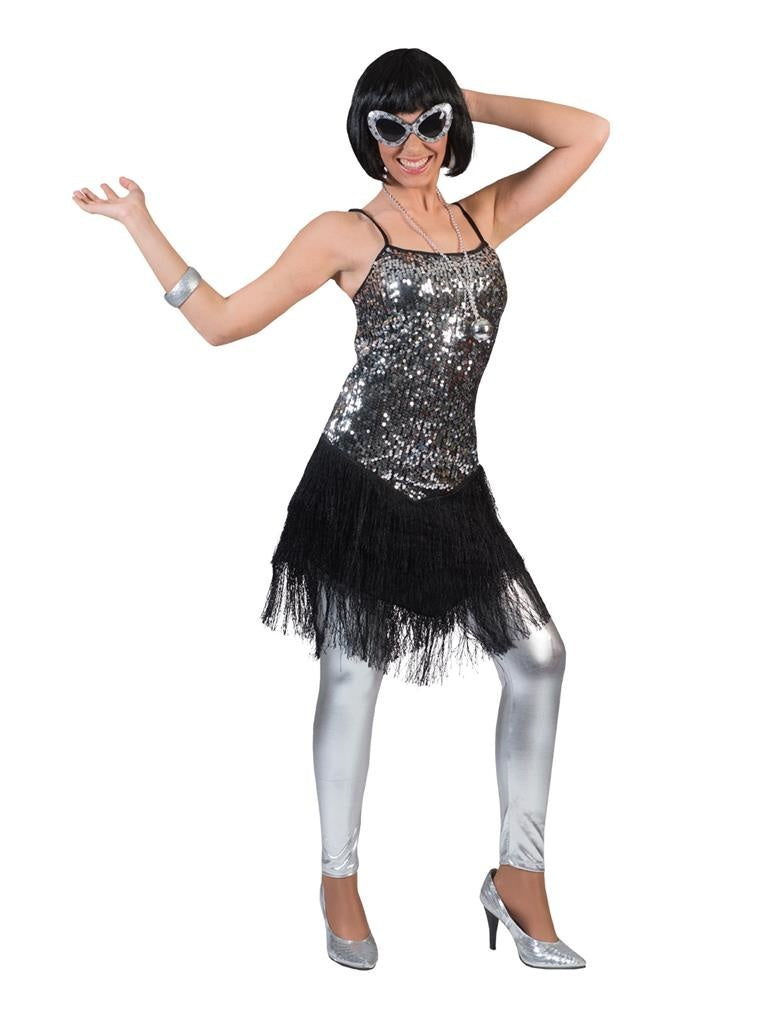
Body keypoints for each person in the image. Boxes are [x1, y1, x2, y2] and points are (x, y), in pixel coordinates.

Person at [72, 47, 609, 972]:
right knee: (354, 677)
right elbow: (223, 322)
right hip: (359, 484)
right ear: (366, 136)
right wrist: (139, 223)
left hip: (455, 487)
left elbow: (587, 134)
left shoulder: (481, 218)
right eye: (390, 126)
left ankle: (518, 877)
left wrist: (459, 96)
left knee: (538, 659)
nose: (412, 143)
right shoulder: (344, 233)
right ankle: (338, 880)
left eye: (428, 123)